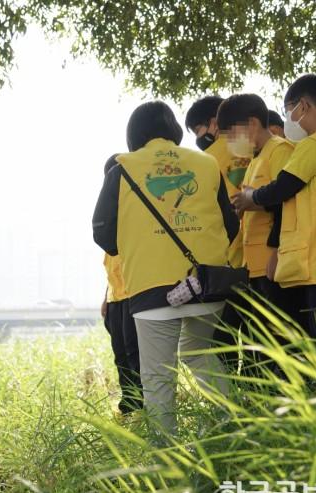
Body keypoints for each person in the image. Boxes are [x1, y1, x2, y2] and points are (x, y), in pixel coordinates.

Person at [93, 101, 239, 433]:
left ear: (134, 134)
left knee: (157, 377)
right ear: (173, 130)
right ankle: (228, 430)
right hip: (207, 285)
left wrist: (136, 247)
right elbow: (231, 225)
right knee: (199, 353)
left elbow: (102, 231)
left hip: (151, 289)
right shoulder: (206, 164)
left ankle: (166, 459)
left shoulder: (122, 169)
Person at [232, 74, 316, 391]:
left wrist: (251, 198)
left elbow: (283, 186)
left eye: (289, 110)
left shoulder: (315, 144)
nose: (289, 119)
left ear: (302, 107)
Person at [213, 93, 306, 372]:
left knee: (276, 346)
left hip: (272, 264)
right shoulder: (256, 159)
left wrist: (276, 250)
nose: (230, 142)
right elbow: (259, 200)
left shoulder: (280, 150)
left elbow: (286, 203)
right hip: (252, 267)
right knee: (257, 346)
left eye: (232, 134)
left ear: (252, 123)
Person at [185, 95, 250, 271]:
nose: (198, 137)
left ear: (214, 123)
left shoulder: (205, 161)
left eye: (198, 129)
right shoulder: (254, 146)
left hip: (230, 253)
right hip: (264, 247)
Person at [101, 155, 144, 414]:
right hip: (116, 296)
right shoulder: (110, 208)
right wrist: (105, 296)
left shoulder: (137, 205)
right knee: (120, 355)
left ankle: (145, 406)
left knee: (135, 354)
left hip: (136, 291)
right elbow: (110, 259)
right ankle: (130, 404)